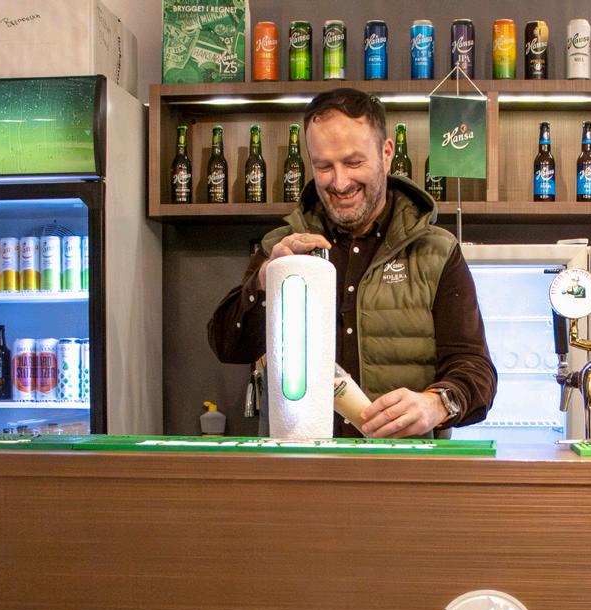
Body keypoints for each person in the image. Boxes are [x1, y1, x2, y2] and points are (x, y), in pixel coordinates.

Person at [207, 87, 496, 438]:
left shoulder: (436, 251)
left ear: (386, 153)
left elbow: (476, 372)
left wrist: (435, 404)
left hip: (403, 467)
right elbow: (228, 346)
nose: (340, 182)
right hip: (301, 464)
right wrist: (265, 280)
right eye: (324, 166)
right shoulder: (282, 247)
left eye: (354, 162)